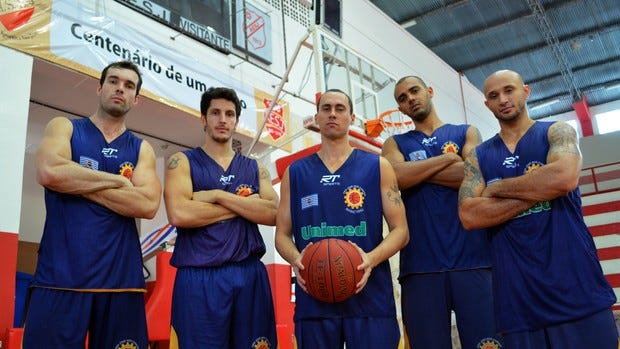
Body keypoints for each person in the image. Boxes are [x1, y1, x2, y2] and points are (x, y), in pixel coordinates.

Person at [458, 69, 618, 348]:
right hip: (519, 301)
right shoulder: (479, 155)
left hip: (577, 287)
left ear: (526, 91)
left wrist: (495, 189)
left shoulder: (557, 131)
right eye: (494, 96)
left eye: (509, 90)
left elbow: (564, 177)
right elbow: (470, 215)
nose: (503, 99)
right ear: (486, 104)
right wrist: (540, 188)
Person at [23, 61, 162, 349]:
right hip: (61, 275)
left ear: (136, 99)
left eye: (129, 85)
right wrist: (119, 182)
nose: (119, 89)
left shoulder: (141, 148)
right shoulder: (65, 127)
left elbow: (147, 204)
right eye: (113, 81)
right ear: (99, 87)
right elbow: (49, 171)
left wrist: (76, 180)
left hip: (121, 280)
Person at [275, 89, 410, 349]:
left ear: (352, 117)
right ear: (316, 117)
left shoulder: (378, 166)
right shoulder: (295, 173)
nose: (332, 114)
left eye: (340, 108)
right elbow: (282, 234)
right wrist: (296, 259)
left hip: (370, 297)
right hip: (314, 297)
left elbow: (401, 230)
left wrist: (370, 259)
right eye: (326, 109)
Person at [382, 76, 501, 349]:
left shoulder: (467, 132)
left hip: (474, 259)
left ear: (430, 91)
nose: (410, 98)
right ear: (400, 108)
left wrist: (419, 172)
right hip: (420, 266)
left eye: (414, 91)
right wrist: (448, 159)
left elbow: (473, 174)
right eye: (402, 98)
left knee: (489, 344)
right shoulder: (395, 143)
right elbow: (396, 177)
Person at [163, 87, 278, 348]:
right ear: (203, 119)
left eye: (229, 114)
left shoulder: (254, 167)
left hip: (248, 274)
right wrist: (246, 205)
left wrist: (215, 195)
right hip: (199, 277)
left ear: (236, 121)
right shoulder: (182, 161)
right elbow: (179, 213)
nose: (223, 120)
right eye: (215, 113)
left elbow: (272, 213)